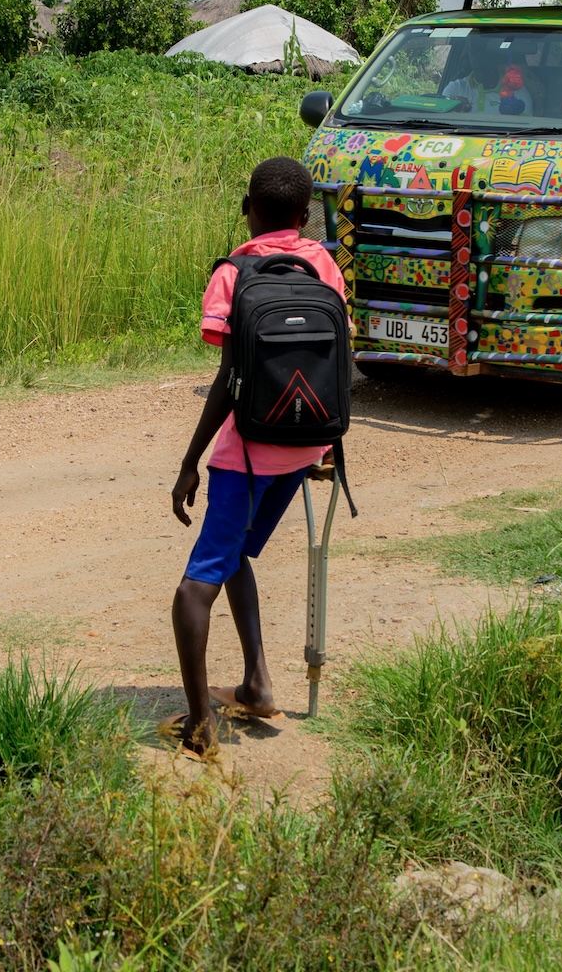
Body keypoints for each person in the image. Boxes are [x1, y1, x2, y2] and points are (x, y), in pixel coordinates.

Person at [166, 156, 345, 759]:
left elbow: (227, 377)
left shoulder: (233, 274)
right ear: (305, 213)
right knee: (237, 553)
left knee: (196, 587)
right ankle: (257, 683)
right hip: (305, 444)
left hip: (244, 455)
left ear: (248, 208)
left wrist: (191, 461)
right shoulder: (324, 264)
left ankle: (198, 725)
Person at [442, 35, 534, 115]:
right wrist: (456, 109)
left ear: (496, 57)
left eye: (483, 53)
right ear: (469, 55)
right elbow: (441, 124)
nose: (478, 59)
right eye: (474, 53)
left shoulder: (518, 95)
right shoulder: (456, 89)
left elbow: (523, 131)